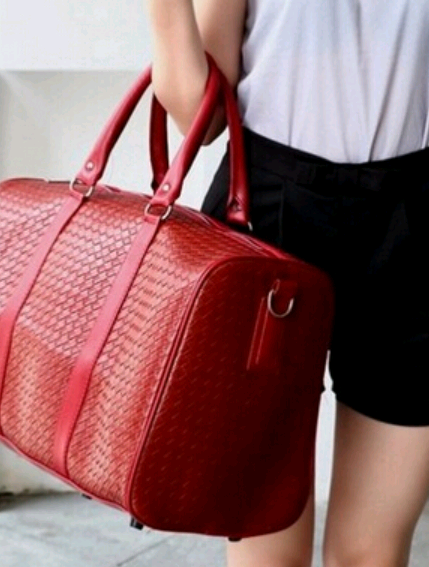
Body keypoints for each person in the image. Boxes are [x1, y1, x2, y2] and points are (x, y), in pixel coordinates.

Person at [145, 1, 429, 566]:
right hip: (267, 219)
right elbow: (200, 115)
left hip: (413, 222)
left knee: (370, 554)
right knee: (266, 547)